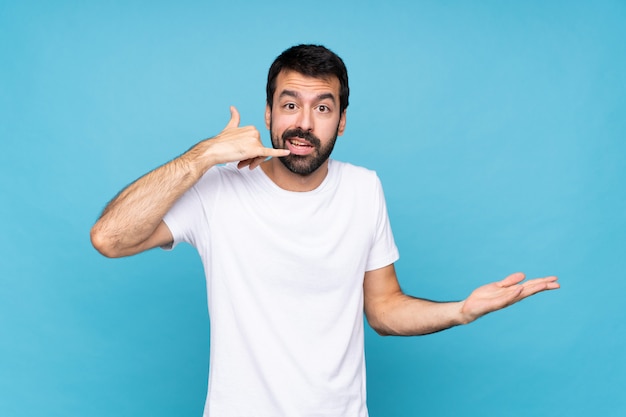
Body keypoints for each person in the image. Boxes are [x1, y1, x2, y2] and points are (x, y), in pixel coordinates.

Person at [90, 44, 559, 417]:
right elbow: (110, 238)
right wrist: (203, 156)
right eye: (290, 104)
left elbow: (383, 309)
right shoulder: (218, 190)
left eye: (323, 108)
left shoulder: (364, 189)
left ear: (342, 121)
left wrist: (462, 310)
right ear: (269, 113)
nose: (303, 123)